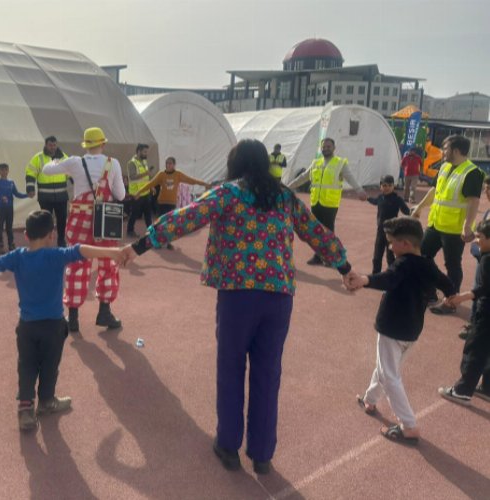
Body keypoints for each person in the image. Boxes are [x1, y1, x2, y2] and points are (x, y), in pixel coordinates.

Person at [123, 139, 354, 474]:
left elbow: (185, 218)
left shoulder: (228, 193)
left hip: (238, 294)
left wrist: (140, 246)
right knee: (268, 373)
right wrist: (345, 269)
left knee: (231, 369)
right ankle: (262, 454)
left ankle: (228, 446)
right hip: (278, 296)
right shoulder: (284, 196)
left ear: (236, 164)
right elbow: (316, 233)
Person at [0, 210, 126, 431]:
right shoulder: (56, 256)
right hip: (53, 326)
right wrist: (114, 252)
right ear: (52, 235)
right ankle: (46, 402)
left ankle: (25, 409)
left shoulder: (17, 257)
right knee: (49, 366)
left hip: (26, 326)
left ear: (26, 234)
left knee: (26, 366)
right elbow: (81, 250)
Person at [347, 218, 454, 445]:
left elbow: (388, 279)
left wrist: (365, 279)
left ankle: (409, 426)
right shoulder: (428, 264)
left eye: (392, 242)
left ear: (405, 244)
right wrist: (449, 296)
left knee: (389, 375)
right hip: (412, 331)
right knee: (386, 367)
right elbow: (448, 285)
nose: (389, 247)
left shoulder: (403, 263)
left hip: (392, 328)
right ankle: (370, 399)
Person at [42, 127, 126, 332]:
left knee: (76, 265)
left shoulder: (75, 162)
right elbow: (121, 195)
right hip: (105, 223)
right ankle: (104, 312)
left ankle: (72, 318)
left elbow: (47, 170)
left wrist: (58, 160)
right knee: (108, 264)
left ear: (86, 145)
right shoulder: (112, 163)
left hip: (80, 221)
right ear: (103, 144)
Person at [411, 135, 484, 315]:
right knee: (421, 255)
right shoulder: (444, 167)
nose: (443, 152)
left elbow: (474, 201)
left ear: (457, 151)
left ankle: (451, 301)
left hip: (454, 229)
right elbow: (435, 191)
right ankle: (430, 292)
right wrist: (419, 207)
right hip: (436, 224)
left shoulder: (472, 172)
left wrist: (467, 226)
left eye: (445, 148)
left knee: (452, 265)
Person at [288, 137, 367, 265]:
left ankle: (330, 257)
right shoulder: (316, 163)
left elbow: (350, 177)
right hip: (316, 201)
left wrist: (359, 190)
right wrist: (288, 186)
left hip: (330, 203)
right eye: (324, 147)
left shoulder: (340, 163)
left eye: (328, 146)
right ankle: (318, 256)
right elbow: (303, 177)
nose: (325, 149)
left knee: (328, 231)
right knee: (316, 230)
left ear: (334, 148)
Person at [438, 219, 490, 405]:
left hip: (486, 313)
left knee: (475, 349)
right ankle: (487, 387)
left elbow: (484, 288)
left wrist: (461, 297)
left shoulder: (487, 260)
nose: (476, 241)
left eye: (480, 238)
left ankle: (462, 390)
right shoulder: (484, 254)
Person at [135, 156, 211, 250]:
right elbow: (150, 184)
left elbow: (191, 180)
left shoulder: (178, 174)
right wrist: (139, 192)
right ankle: (156, 241)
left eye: (170, 163)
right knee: (159, 224)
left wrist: (204, 183)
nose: (168, 165)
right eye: (167, 163)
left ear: (174, 165)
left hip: (171, 203)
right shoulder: (161, 174)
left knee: (170, 224)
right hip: (161, 203)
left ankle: (168, 243)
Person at [460, 176, 490, 339]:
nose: (486, 192)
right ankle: (474, 324)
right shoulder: (488, 211)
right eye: (485, 189)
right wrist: (473, 238)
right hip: (482, 259)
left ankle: (479, 328)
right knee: (478, 291)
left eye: (489, 189)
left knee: (482, 293)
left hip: (486, 260)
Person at [25, 136, 69, 246]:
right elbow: (30, 172)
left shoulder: (64, 157)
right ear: (46, 145)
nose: (53, 147)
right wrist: (30, 188)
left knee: (62, 219)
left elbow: (71, 172)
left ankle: (61, 240)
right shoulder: (38, 158)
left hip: (61, 196)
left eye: (54, 145)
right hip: (45, 197)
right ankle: (45, 241)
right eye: (50, 145)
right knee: (46, 220)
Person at [367, 175, 410, 273]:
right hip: (381, 231)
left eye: (389, 185)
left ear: (393, 186)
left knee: (390, 256)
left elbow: (406, 211)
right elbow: (374, 201)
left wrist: (413, 212)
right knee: (377, 256)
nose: (387, 188)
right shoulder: (380, 197)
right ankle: (375, 275)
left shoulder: (397, 199)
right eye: (384, 185)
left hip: (392, 232)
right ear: (380, 186)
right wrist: (367, 198)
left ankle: (392, 275)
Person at [125, 144, 154, 237]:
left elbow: (146, 177)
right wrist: (146, 172)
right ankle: (129, 231)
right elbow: (132, 177)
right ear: (138, 151)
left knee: (148, 214)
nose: (146, 154)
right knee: (134, 213)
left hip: (145, 192)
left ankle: (151, 231)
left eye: (147, 152)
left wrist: (151, 186)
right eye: (145, 152)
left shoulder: (144, 161)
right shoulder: (131, 163)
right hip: (136, 193)